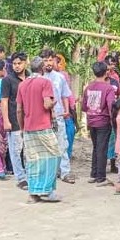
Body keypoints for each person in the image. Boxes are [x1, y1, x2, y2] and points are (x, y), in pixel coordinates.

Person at [16, 57, 62, 203]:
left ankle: (33, 193)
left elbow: (19, 109)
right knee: (54, 156)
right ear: (42, 68)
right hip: (43, 126)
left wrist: (22, 128)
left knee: (33, 160)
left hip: (28, 127)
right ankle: (47, 190)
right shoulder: (45, 82)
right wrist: (54, 102)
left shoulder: (23, 85)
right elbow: (47, 104)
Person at [39, 48, 75, 184]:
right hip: (43, 117)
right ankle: (48, 173)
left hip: (59, 116)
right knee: (45, 146)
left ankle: (64, 172)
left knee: (62, 144)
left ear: (54, 60)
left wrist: (66, 110)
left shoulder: (60, 77)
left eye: (50, 60)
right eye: (45, 60)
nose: (48, 63)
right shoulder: (39, 78)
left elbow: (65, 95)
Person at [83, 61, 117, 186]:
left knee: (96, 147)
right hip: (103, 121)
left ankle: (94, 173)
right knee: (102, 148)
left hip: (92, 120)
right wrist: (114, 121)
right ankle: (101, 176)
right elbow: (111, 106)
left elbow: (84, 106)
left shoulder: (88, 87)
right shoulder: (108, 88)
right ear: (106, 72)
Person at [2, 52, 29, 189]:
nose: (17, 66)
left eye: (19, 63)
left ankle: (30, 174)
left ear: (25, 63)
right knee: (15, 150)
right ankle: (21, 178)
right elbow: (4, 101)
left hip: (29, 120)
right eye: (15, 64)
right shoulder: (8, 80)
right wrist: (6, 120)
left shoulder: (30, 77)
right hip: (14, 120)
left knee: (29, 149)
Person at [56, 53, 78, 161]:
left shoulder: (63, 75)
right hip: (57, 110)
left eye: (60, 62)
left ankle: (65, 159)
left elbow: (67, 94)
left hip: (66, 109)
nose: (58, 65)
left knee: (68, 134)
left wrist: (70, 107)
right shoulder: (51, 76)